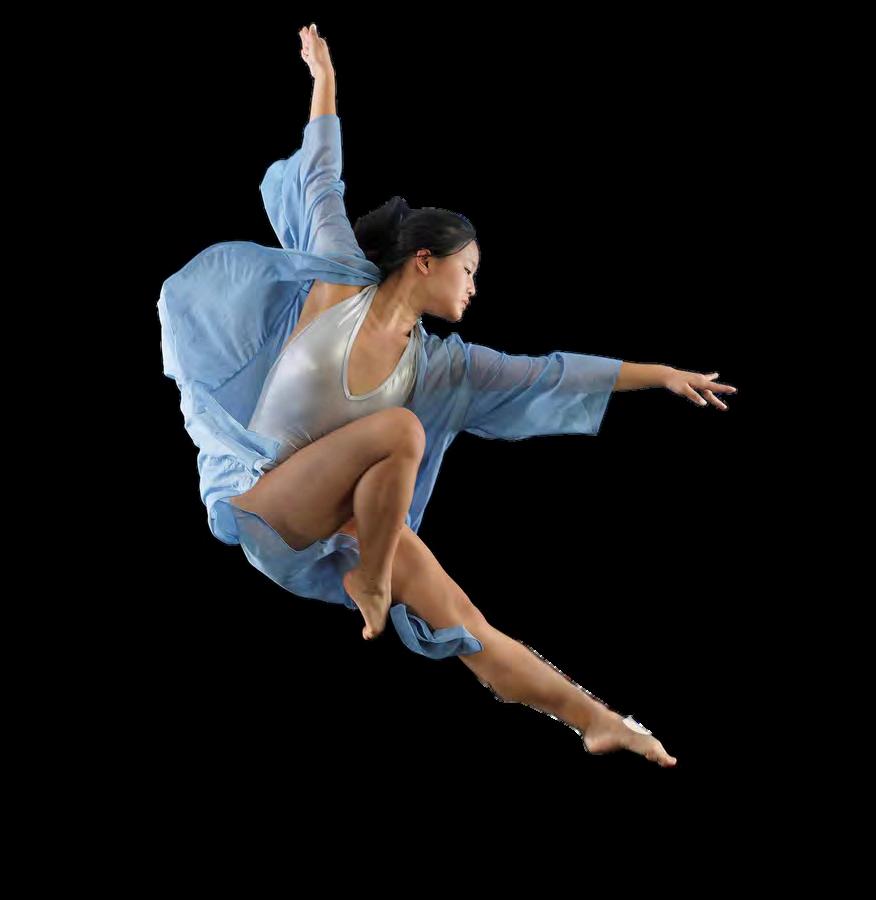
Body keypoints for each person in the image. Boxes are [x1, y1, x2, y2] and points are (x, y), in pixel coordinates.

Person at [158, 24, 737, 766]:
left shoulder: (442, 368)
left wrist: (658, 375)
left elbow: (549, 373)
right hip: (266, 498)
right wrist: (324, 80)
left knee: (466, 621)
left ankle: (595, 719)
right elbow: (322, 175)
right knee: (400, 432)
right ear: (423, 260)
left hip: (340, 523)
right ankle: (372, 580)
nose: (474, 287)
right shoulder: (338, 277)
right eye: (468, 270)